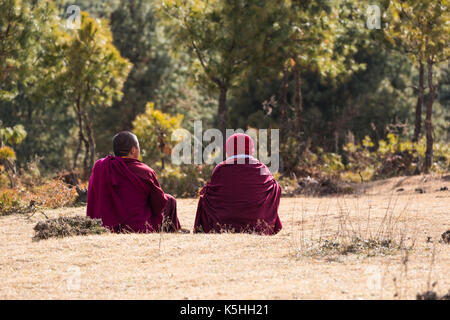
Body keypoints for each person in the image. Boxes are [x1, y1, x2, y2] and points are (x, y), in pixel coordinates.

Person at [87, 131, 187, 233]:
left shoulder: (101, 166)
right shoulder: (145, 171)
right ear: (133, 150)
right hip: (137, 226)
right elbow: (159, 203)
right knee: (170, 200)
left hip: (103, 224)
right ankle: (174, 230)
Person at [193, 133, 282, 235]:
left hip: (223, 222)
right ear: (251, 148)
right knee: (275, 187)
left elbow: (212, 193)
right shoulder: (261, 168)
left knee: (206, 192)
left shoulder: (220, 169)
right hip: (256, 222)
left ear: (229, 149)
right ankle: (264, 224)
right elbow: (272, 189)